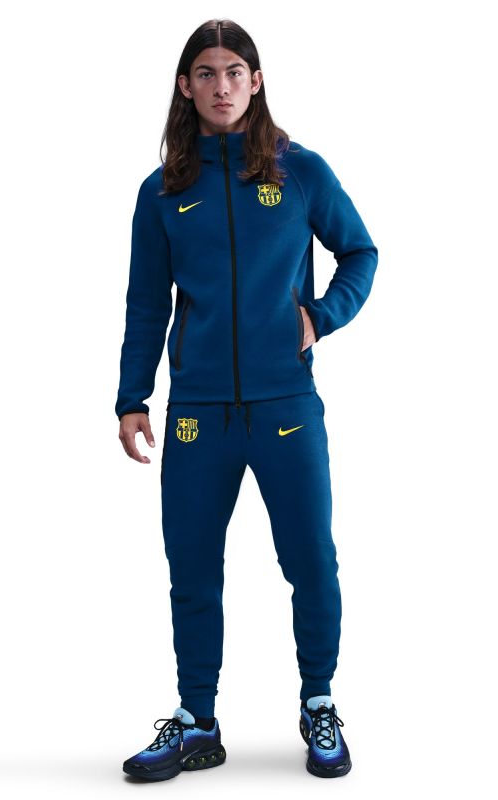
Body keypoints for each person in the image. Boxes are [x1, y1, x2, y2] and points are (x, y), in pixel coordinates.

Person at [117, 19, 377, 781]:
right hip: (198, 414)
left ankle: (319, 701)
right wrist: (133, 397)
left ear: (256, 82)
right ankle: (197, 722)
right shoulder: (164, 191)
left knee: (312, 562)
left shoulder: (300, 172)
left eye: (235, 71)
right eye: (206, 73)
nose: (222, 86)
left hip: (285, 405)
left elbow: (360, 251)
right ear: (185, 86)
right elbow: (145, 303)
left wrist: (319, 316)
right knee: (192, 570)